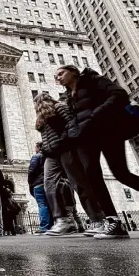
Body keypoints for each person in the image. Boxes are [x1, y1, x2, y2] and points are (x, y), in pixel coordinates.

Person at [56, 65, 139, 239]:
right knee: (92, 175)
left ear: (73, 71)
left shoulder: (93, 80)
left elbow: (119, 95)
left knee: (121, 174)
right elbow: (74, 118)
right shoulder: (68, 96)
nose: (58, 77)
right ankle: (113, 221)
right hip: (86, 137)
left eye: (61, 73)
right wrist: (69, 134)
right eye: (56, 76)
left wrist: (95, 116)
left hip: (108, 130)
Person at [33, 93, 105, 236]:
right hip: (50, 154)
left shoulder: (59, 107)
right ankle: (63, 220)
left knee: (79, 183)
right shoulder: (41, 118)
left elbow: (72, 125)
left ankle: (98, 219)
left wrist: (65, 142)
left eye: (36, 103)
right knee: (49, 184)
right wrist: (47, 150)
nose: (35, 106)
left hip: (66, 149)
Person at [27, 142, 51, 234]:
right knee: (49, 205)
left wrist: (30, 183)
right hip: (48, 183)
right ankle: (51, 225)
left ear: (38, 147)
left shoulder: (36, 157)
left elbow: (31, 171)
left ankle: (44, 227)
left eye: (35, 147)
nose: (34, 149)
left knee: (42, 205)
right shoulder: (48, 157)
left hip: (38, 184)